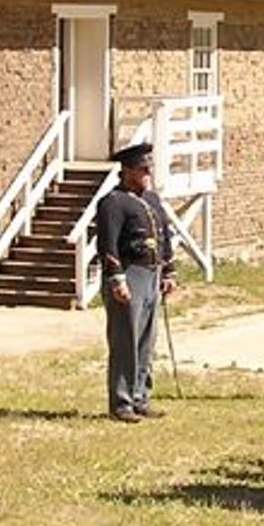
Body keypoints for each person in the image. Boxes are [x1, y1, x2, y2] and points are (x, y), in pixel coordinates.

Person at [93, 142, 177, 423]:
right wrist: (117, 279)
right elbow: (108, 244)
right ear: (127, 171)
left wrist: (169, 272)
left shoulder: (151, 200)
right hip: (129, 275)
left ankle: (141, 396)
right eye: (142, 169)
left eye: (149, 168)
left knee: (146, 341)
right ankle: (121, 402)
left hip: (151, 274)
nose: (147, 173)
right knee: (125, 340)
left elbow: (164, 234)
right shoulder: (113, 203)